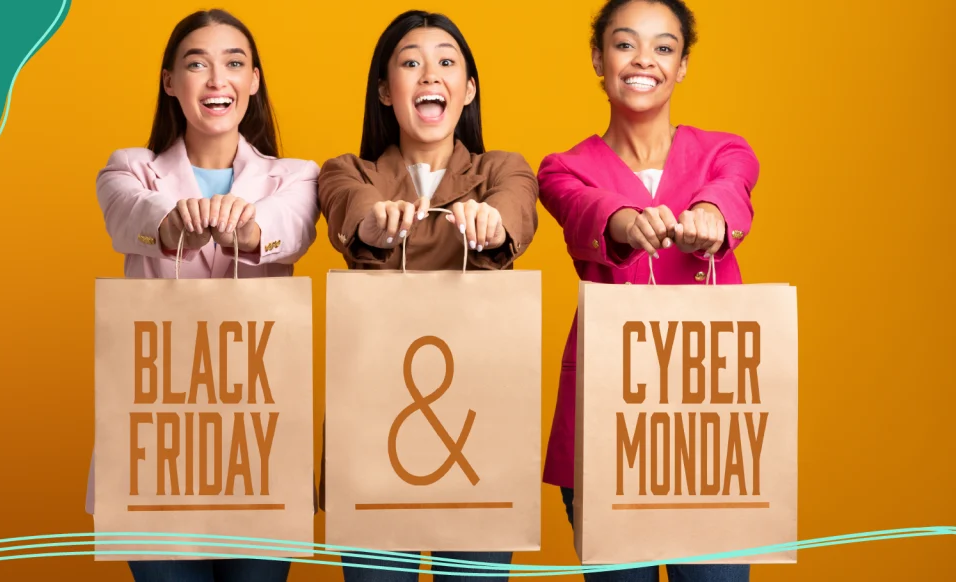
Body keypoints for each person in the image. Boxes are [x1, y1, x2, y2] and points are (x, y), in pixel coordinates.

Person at [88, 9, 319, 582]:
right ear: (170, 82)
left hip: (257, 438)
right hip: (157, 440)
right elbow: (129, 216)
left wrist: (247, 228)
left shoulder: (296, 177)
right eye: (197, 64)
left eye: (234, 64)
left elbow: (291, 229)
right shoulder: (131, 170)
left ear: (254, 82)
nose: (217, 80)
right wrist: (172, 223)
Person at [537, 1, 759, 581]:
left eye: (664, 48)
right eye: (625, 43)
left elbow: (733, 187)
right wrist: (623, 221)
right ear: (598, 59)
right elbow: (584, 206)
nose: (644, 60)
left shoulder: (723, 150)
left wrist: (711, 211)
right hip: (607, 428)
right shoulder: (562, 168)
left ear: (682, 66)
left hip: (708, 428)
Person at [316, 9, 539, 582]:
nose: (429, 75)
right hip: (372, 430)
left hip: (480, 430)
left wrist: (489, 221)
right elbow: (349, 208)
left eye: (446, 62)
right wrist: (372, 225)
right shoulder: (349, 171)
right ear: (386, 92)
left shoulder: (503, 170)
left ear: (468, 90)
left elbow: (516, 209)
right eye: (410, 63)